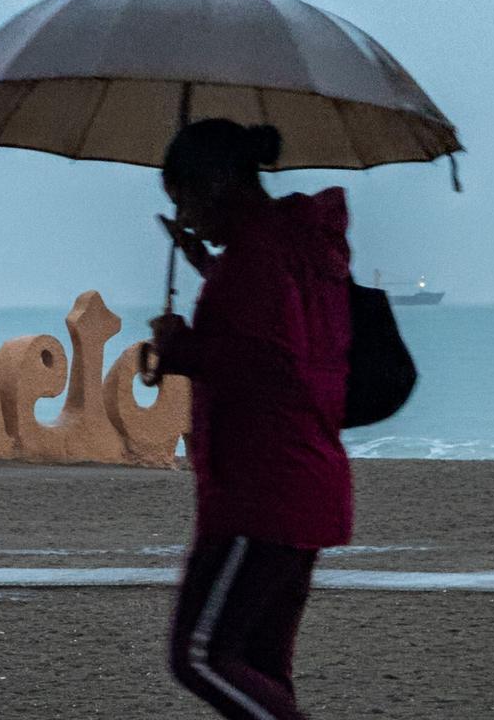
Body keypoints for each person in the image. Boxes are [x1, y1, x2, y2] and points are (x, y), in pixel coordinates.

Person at [144, 119, 353, 720]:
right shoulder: (301, 248)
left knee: (200, 656)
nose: (183, 217)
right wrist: (207, 267)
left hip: (261, 490)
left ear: (216, 184)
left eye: (183, 199)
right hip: (306, 479)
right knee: (259, 664)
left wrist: (180, 349)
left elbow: (267, 362)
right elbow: (292, 331)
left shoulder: (256, 258)